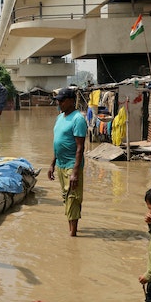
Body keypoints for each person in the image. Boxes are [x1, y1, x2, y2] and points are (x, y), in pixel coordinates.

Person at [47, 88, 87, 236]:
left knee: (73, 197)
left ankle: (73, 235)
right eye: (58, 101)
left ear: (71, 100)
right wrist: (52, 164)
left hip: (72, 165)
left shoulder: (78, 119)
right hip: (60, 164)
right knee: (66, 196)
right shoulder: (60, 117)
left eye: (62, 101)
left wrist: (76, 171)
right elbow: (57, 143)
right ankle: (72, 228)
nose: (59, 103)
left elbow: (80, 147)